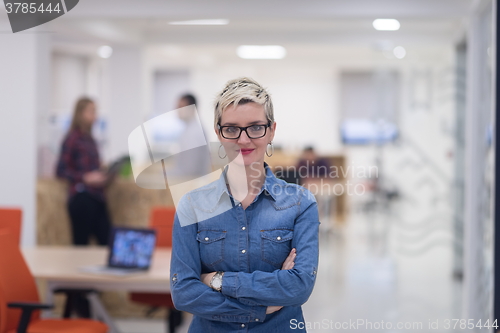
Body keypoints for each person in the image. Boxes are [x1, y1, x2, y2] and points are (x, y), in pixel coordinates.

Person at [170, 77, 320, 332]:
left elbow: (299, 287)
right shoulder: (192, 206)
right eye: (231, 129)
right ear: (218, 133)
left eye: (255, 127)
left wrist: (215, 280)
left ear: (271, 131)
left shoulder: (300, 203)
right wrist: (260, 307)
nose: (243, 139)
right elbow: (183, 292)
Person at [56, 97, 112, 246]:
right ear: (80, 113)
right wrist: (85, 178)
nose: (95, 116)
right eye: (91, 111)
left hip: (97, 197)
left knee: (107, 243)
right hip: (82, 198)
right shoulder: (72, 139)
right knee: (81, 244)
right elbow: (60, 170)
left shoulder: (91, 140)